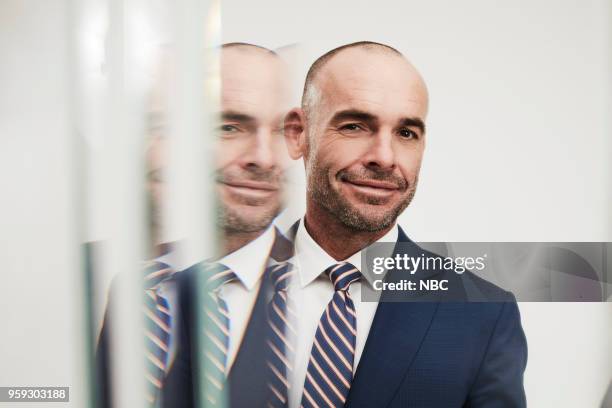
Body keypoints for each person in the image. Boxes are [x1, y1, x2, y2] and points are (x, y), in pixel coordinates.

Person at [283, 41, 528, 407]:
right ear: (298, 133)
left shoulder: (484, 315)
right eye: (355, 126)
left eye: (406, 133)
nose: (384, 157)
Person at [96, 42, 294, 408]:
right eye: (230, 126)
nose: (265, 158)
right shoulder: (98, 275)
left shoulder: (333, 296)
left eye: (285, 131)